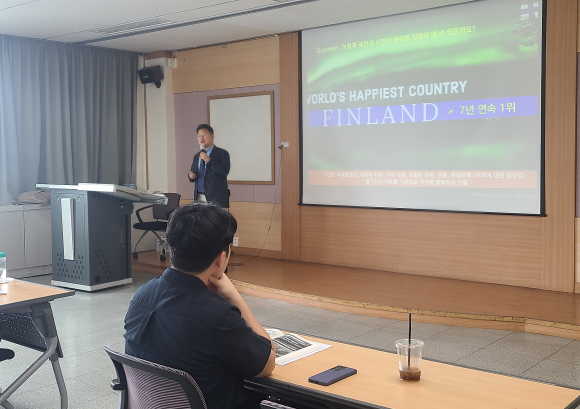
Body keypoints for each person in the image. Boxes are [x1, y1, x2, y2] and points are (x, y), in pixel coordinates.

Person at [124, 203, 276, 409]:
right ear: (221, 258)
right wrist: (235, 298)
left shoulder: (142, 295)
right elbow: (267, 364)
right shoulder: (216, 315)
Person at [188, 124, 230, 208]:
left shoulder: (222, 153)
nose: (201, 138)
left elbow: (224, 171)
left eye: (204, 134)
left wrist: (209, 160)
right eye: (199, 135)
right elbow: (194, 173)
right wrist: (191, 176)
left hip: (216, 198)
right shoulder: (197, 156)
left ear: (212, 136)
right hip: (199, 197)